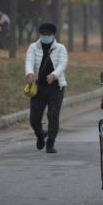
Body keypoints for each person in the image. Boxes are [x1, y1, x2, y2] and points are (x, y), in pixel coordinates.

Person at [25, 23, 68, 153]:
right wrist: (30, 73)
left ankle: (50, 143)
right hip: (39, 87)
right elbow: (29, 61)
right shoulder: (33, 47)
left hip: (56, 88)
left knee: (53, 115)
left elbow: (63, 63)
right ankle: (40, 135)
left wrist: (54, 75)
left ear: (53, 35)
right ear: (40, 34)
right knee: (34, 118)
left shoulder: (60, 48)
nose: (45, 37)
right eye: (43, 34)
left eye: (48, 34)